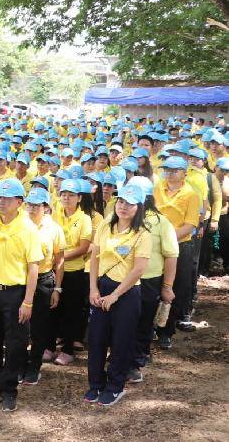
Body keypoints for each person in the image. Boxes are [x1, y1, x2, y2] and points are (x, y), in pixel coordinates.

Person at [0, 178, 42, 412]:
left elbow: (33, 267)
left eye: (7, 199)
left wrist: (28, 301)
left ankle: (9, 390)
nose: (1, 202)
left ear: (20, 202)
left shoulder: (28, 229)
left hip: (16, 293)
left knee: (15, 343)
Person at [85, 185, 151, 406]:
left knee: (121, 341)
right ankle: (95, 384)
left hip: (126, 292)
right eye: (121, 201)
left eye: (129, 203)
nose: (123, 206)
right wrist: (93, 288)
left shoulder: (143, 234)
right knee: (96, 339)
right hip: (101, 287)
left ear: (138, 207)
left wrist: (114, 295)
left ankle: (115, 386)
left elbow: (138, 270)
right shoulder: (105, 226)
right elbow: (94, 258)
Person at [125, 176, 178, 383]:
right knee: (122, 321)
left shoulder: (161, 222)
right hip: (122, 279)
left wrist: (167, 286)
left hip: (148, 281)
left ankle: (136, 362)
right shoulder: (120, 217)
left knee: (143, 322)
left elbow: (171, 255)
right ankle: (122, 355)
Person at [154, 156, 201, 348]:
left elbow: (190, 225)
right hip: (156, 245)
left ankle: (167, 331)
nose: (169, 173)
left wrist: (168, 237)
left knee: (175, 289)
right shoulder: (157, 188)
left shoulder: (191, 195)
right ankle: (152, 327)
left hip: (180, 246)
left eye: (174, 170)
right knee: (154, 284)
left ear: (184, 173)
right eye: (167, 169)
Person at [21, 188, 65, 385]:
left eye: (36, 205)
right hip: (20, 279)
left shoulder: (54, 228)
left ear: (46, 207)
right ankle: (19, 364)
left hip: (43, 280)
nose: (31, 209)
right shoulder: (20, 225)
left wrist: (57, 288)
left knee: (39, 327)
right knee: (20, 326)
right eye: (29, 205)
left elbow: (59, 260)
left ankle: (34, 366)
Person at [50, 178, 93, 365]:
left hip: (73, 271)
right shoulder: (54, 215)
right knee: (52, 310)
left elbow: (83, 247)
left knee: (71, 311)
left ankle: (67, 350)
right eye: (64, 194)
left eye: (71, 195)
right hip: (53, 270)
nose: (66, 198)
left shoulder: (84, 219)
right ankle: (49, 346)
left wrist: (59, 257)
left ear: (79, 198)